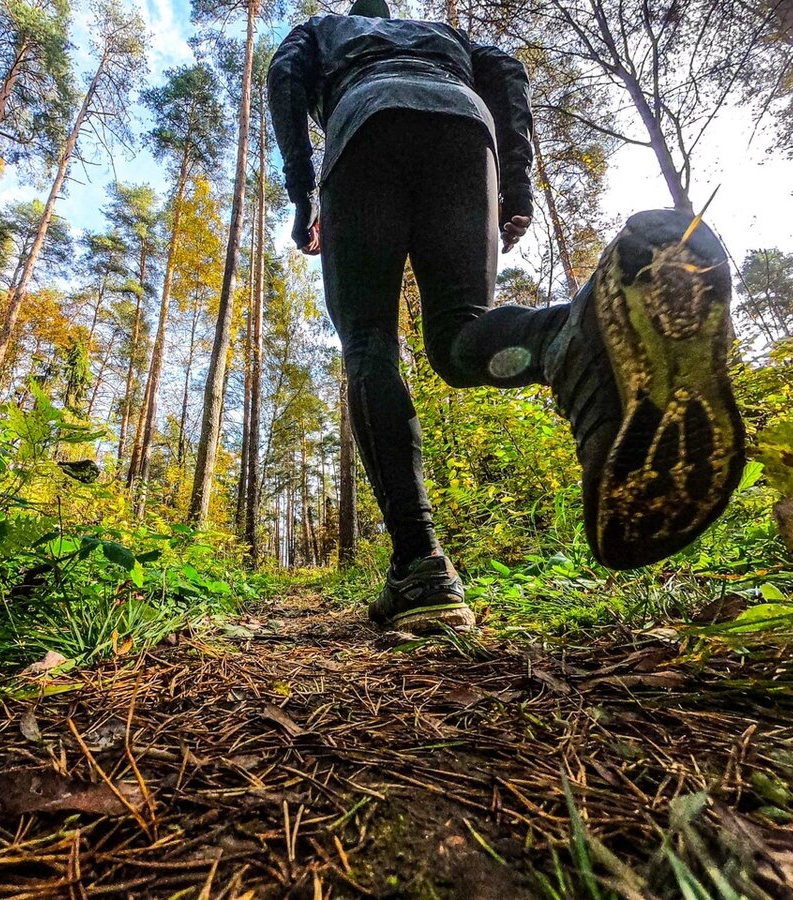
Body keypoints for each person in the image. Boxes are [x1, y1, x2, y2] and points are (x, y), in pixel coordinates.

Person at [268, 0, 745, 634]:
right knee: (458, 332)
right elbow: (507, 73)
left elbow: (285, 73)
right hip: (465, 132)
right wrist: (514, 187)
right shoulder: (442, 32)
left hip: (362, 131)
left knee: (369, 343)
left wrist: (301, 189)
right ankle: (566, 341)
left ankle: (421, 568)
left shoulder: (324, 29)